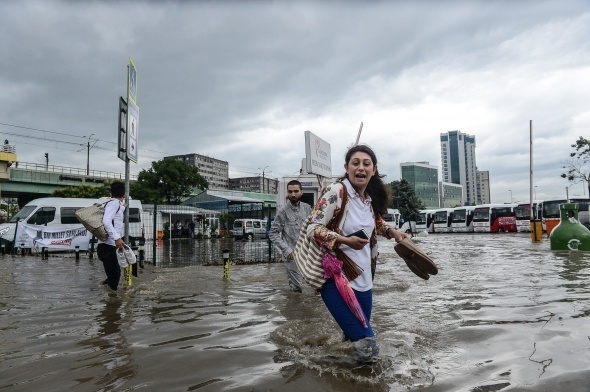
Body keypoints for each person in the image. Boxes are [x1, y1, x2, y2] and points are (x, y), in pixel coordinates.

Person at [307, 144, 409, 361]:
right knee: (369, 347)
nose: (361, 168)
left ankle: (335, 374)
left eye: (366, 164)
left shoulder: (368, 200)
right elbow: (313, 228)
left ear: (373, 170)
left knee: (352, 342)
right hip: (335, 279)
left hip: (364, 281)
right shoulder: (336, 192)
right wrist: (345, 241)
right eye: (355, 163)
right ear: (346, 167)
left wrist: (393, 233)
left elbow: (377, 224)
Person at [269, 180, 312, 292]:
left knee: (315, 285)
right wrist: (286, 250)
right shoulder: (283, 212)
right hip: (292, 255)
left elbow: (313, 228)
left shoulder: (307, 208)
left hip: (307, 253)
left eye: (296, 191)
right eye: (290, 192)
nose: (293, 194)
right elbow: (273, 233)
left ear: (301, 192)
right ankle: (295, 308)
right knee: (297, 288)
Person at [96, 181, 127, 291]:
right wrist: (117, 238)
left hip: (106, 247)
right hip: (108, 247)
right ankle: (110, 303)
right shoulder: (114, 204)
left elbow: (116, 213)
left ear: (110, 194)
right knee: (115, 278)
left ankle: (103, 292)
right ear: (124, 195)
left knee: (114, 276)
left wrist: (123, 207)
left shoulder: (113, 204)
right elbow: (106, 221)